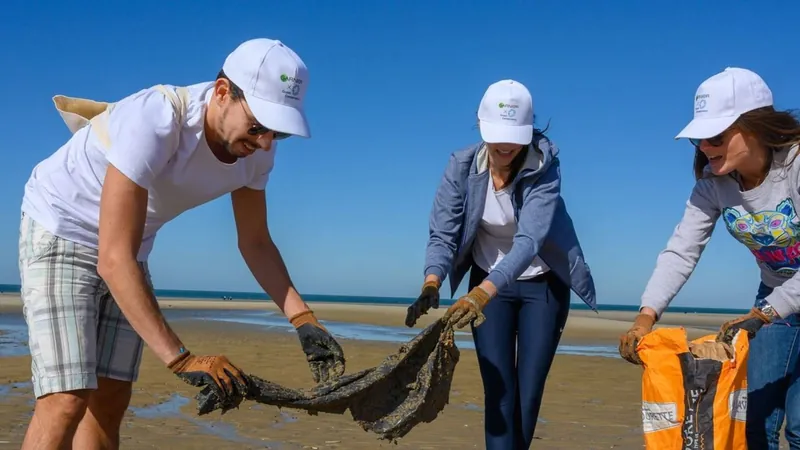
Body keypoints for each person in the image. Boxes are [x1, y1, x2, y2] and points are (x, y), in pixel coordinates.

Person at [17, 38, 345, 450]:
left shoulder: (257, 154)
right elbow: (113, 260)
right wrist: (182, 359)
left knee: (111, 399)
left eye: (279, 133)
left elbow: (256, 242)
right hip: (61, 223)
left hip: (130, 248)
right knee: (66, 400)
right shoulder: (156, 118)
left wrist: (304, 320)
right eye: (259, 125)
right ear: (223, 92)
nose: (264, 142)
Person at [405, 79, 597, 449]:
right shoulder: (461, 167)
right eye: (498, 135)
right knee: (498, 393)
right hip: (487, 285)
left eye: (514, 136)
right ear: (480, 125)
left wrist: (480, 294)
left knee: (526, 397)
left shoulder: (545, 165)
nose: (506, 145)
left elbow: (529, 241)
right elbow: (444, 233)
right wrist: (432, 281)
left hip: (542, 285)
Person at [618, 67, 800, 450]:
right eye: (699, 139)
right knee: (754, 419)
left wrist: (766, 312)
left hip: (771, 306)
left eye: (715, 136)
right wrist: (645, 317)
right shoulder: (712, 187)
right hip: (774, 295)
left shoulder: (795, 166)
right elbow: (682, 250)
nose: (705, 146)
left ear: (757, 127)